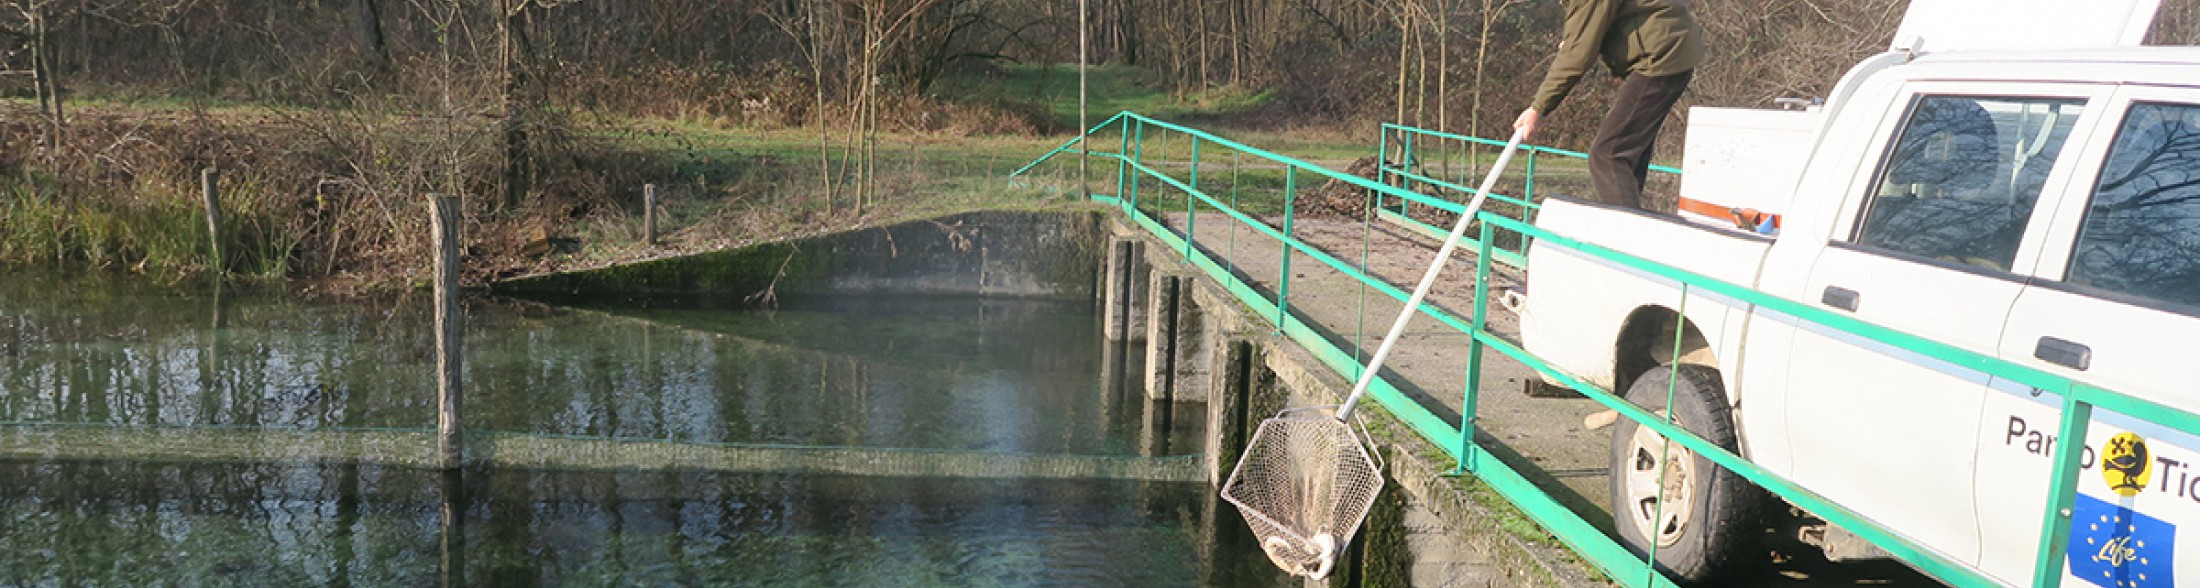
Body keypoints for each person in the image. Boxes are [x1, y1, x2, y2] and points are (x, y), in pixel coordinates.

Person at [1513, 0, 1703, 210]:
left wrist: (1538, 108)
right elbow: (1587, 32)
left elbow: (1577, 56)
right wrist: (1577, 40)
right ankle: (1631, 221)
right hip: (1670, 50)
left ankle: (1624, 236)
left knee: (1609, 154)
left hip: (1662, 56)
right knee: (1627, 156)